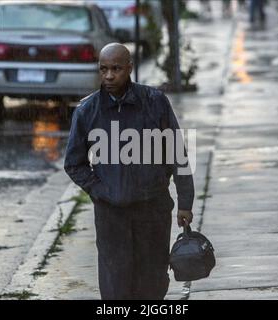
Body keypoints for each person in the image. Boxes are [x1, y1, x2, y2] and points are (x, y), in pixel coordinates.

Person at [64, 43, 195, 300]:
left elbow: (177, 154)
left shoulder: (154, 102)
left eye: (116, 69)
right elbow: (73, 163)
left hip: (153, 211)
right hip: (111, 217)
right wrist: (101, 190)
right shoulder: (87, 111)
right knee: (115, 286)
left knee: (153, 281)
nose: (109, 76)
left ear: (130, 68)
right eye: (103, 69)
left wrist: (185, 203)